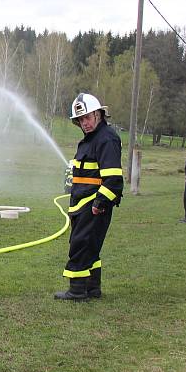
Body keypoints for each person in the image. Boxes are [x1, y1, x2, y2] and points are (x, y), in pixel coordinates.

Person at [55, 93, 123, 301]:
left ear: (98, 114)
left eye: (87, 117)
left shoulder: (106, 139)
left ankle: (76, 291)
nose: (84, 123)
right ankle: (92, 289)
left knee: (80, 245)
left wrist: (99, 203)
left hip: (93, 205)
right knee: (90, 247)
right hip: (83, 204)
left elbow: (113, 179)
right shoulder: (91, 140)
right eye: (80, 120)